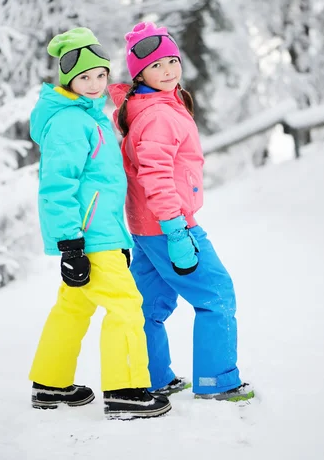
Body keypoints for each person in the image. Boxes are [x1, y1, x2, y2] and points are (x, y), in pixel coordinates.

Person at [28, 27, 171, 420]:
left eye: (100, 75)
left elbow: (101, 182)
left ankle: (50, 383)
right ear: (68, 80)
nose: (94, 84)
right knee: (126, 306)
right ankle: (126, 391)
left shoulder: (93, 117)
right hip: (89, 236)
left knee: (73, 307)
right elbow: (56, 187)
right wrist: (70, 243)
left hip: (101, 232)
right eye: (84, 77)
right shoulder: (70, 123)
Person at [108, 22, 254, 402]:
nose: (169, 70)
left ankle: (152, 375)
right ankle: (216, 381)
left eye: (173, 60)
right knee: (216, 295)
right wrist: (176, 231)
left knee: (149, 306)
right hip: (168, 226)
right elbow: (155, 176)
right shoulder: (158, 115)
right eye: (157, 66)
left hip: (145, 227)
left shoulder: (151, 106)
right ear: (140, 73)